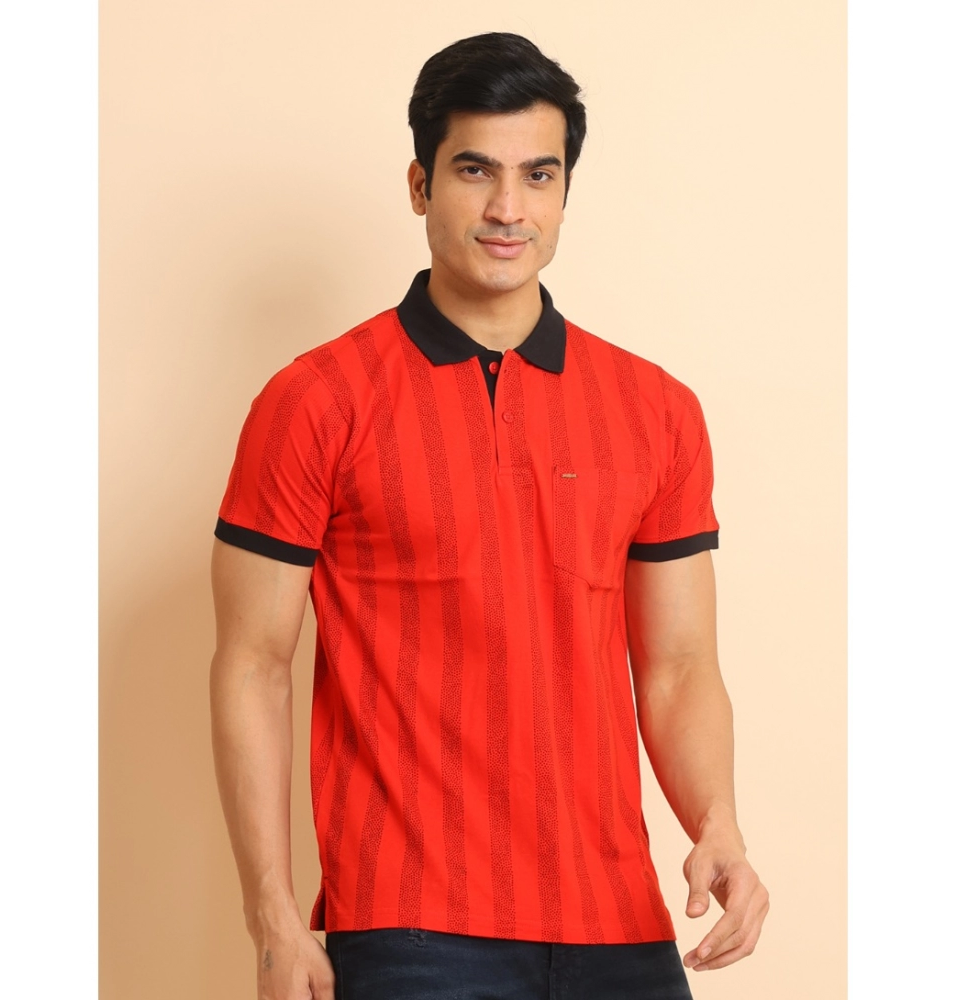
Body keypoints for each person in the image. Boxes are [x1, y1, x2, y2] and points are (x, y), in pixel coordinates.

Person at [209, 31, 769, 1000]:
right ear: (420, 185)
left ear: (564, 192)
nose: (509, 208)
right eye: (476, 171)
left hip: (618, 927)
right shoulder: (314, 402)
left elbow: (678, 665)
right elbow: (254, 661)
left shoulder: (656, 410)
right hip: (409, 930)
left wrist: (715, 820)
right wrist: (272, 917)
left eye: (537, 175)